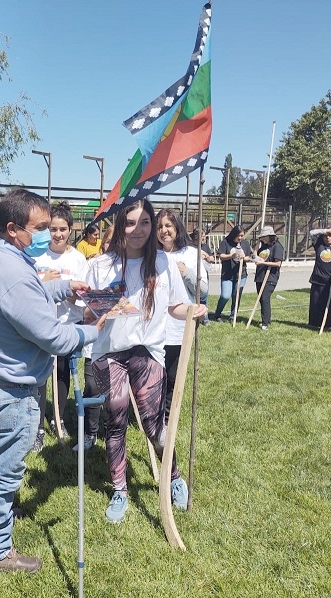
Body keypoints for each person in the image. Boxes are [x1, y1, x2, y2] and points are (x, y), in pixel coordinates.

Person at [0, 188, 102, 572]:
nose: (46, 234)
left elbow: (22, 297)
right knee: (4, 469)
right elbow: (54, 337)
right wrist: (95, 328)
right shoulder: (10, 268)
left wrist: (62, 287)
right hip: (13, 391)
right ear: (13, 229)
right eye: (40, 227)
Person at [87, 199, 206, 523]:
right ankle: (120, 490)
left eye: (144, 223)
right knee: (116, 422)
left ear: (152, 225)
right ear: (119, 225)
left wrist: (193, 310)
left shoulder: (164, 263)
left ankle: (173, 476)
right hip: (109, 353)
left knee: (155, 425)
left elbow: (176, 307)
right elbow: (86, 313)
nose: (137, 230)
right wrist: (104, 303)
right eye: (130, 223)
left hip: (148, 352)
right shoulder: (101, 265)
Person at [32, 201, 89, 451]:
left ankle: (59, 417)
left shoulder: (77, 259)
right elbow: (27, 289)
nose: (58, 234)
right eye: (53, 229)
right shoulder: (38, 256)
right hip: (42, 325)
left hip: (68, 324)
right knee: (41, 376)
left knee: (64, 372)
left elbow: (85, 292)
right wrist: (45, 283)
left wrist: (71, 294)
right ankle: (38, 427)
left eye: (63, 229)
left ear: (70, 229)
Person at [156, 208, 208, 420]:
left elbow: (203, 290)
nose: (164, 230)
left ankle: (167, 417)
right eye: (159, 226)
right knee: (155, 375)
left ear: (177, 226)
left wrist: (185, 271)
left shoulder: (191, 254)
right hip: (155, 326)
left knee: (172, 375)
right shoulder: (152, 254)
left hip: (178, 326)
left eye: (168, 225)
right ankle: (152, 413)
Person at [74, 224, 116, 452]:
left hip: (120, 343)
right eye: (107, 242)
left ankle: (113, 433)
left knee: (115, 393)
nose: (111, 246)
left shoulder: (129, 268)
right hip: (95, 341)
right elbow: (83, 308)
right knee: (92, 386)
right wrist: (102, 306)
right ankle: (90, 434)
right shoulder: (93, 266)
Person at [211, 225, 252, 322]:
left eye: (242, 236)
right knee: (225, 296)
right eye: (239, 236)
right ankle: (217, 314)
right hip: (227, 274)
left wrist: (245, 257)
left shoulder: (245, 244)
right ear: (234, 234)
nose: (240, 238)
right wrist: (231, 255)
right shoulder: (225, 242)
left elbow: (249, 257)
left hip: (241, 275)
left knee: (236, 295)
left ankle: (233, 316)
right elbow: (221, 256)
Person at [308, 225, 331, 330]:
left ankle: (328, 325)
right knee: (316, 303)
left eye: (330, 235)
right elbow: (312, 232)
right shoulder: (319, 245)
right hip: (318, 279)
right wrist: (327, 230)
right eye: (325, 236)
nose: (327, 238)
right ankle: (314, 323)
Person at [252, 226, 284, 330]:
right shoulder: (263, 246)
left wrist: (263, 262)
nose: (263, 239)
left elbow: (278, 263)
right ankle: (267, 320)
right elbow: (254, 255)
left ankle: (265, 323)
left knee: (265, 298)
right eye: (262, 237)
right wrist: (258, 242)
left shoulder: (277, 247)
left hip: (270, 277)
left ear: (271, 236)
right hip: (260, 276)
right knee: (261, 299)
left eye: (265, 237)